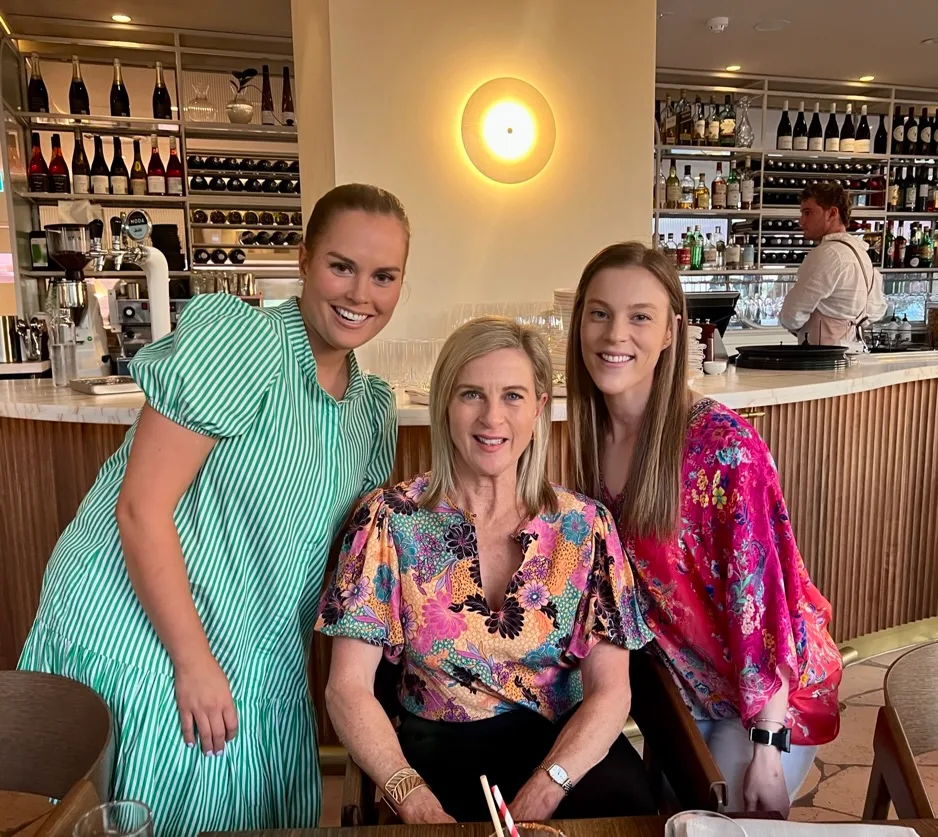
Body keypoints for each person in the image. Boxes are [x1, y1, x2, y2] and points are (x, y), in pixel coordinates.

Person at [18, 184, 410, 837]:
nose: (359, 293)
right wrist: (192, 660)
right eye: (342, 266)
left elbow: (350, 563)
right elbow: (141, 507)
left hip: (259, 657)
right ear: (306, 259)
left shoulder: (370, 411)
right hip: (145, 633)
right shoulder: (241, 342)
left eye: (384, 275)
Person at [317, 317, 656, 824]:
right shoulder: (388, 521)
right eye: (471, 394)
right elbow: (346, 689)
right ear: (445, 407)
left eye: (513, 396)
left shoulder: (586, 528)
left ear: (540, 408)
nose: (492, 417)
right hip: (434, 753)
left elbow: (611, 691)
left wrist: (546, 786)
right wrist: (412, 798)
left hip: (563, 749)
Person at [566, 242, 842, 816]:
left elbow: (763, 600)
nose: (615, 334)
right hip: (679, 691)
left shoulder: (721, 447)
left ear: (670, 332)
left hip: (765, 699)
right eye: (599, 313)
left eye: (639, 316)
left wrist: (768, 742)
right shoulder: (593, 439)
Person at [779, 181, 887, 351]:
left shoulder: (827, 254)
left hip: (822, 360)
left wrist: (806, 327)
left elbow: (790, 315)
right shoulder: (860, 253)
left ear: (832, 213)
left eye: (808, 213)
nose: (801, 221)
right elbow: (877, 310)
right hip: (855, 353)